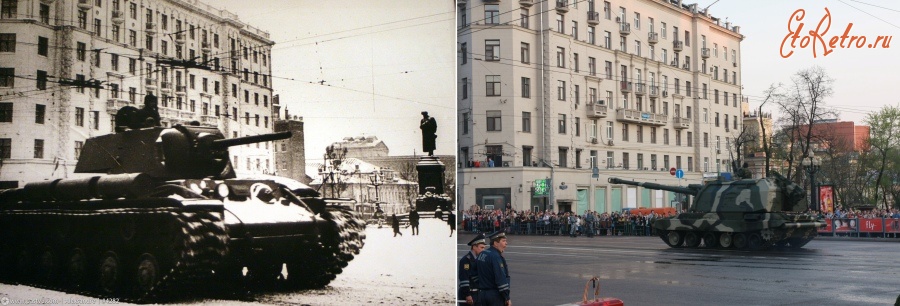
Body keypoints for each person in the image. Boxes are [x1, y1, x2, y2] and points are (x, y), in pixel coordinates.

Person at [476, 231, 510, 306]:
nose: (506, 243)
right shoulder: (496, 257)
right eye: (503, 241)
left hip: (482, 294)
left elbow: (474, 274)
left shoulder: (482, 254)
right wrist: (507, 297)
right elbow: (501, 279)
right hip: (495, 296)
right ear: (495, 243)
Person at [459, 233, 486, 306]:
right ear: (474, 247)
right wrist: (467, 294)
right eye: (482, 247)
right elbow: (464, 279)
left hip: (478, 294)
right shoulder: (466, 260)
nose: (484, 250)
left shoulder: (479, 259)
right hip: (469, 294)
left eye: (484, 248)